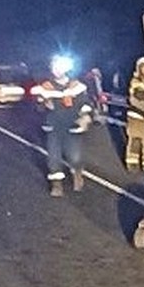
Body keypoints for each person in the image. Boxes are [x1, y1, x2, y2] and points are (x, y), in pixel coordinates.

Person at [31, 55, 93, 196]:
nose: (58, 70)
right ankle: (56, 185)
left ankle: (77, 173)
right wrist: (43, 104)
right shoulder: (45, 87)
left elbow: (85, 104)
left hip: (72, 126)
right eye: (55, 67)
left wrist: (85, 116)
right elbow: (37, 107)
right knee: (53, 158)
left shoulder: (76, 86)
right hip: (53, 127)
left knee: (74, 157)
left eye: (60, 67)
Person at [125, 55, 144, 171]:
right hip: (135, 115)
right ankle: (132, 163)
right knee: (135, 140)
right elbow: (141, 95)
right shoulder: (136, 82)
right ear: (139, 69)